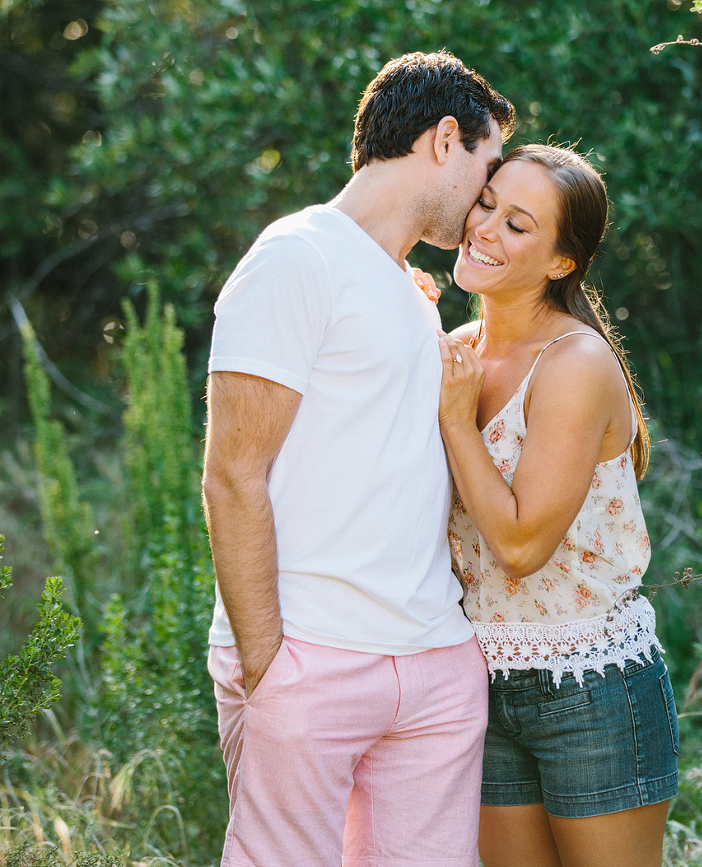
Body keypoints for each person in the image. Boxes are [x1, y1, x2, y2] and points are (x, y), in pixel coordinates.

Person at [200, 52, 514, 867]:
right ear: (445, 139)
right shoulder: (294, 257)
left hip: (435, 664)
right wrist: (270, 667)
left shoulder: (405, 288)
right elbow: (232, 474)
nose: (489, 197)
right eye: (487, 165)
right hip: (311, 655)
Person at [436, 144, 678, 867]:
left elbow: (519, 545)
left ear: (560, 263)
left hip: (592, 689)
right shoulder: (453, 350)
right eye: (486, 204)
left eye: (518, 225)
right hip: (480, 684)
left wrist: (454, 420)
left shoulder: (575, 364)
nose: (484, 229)